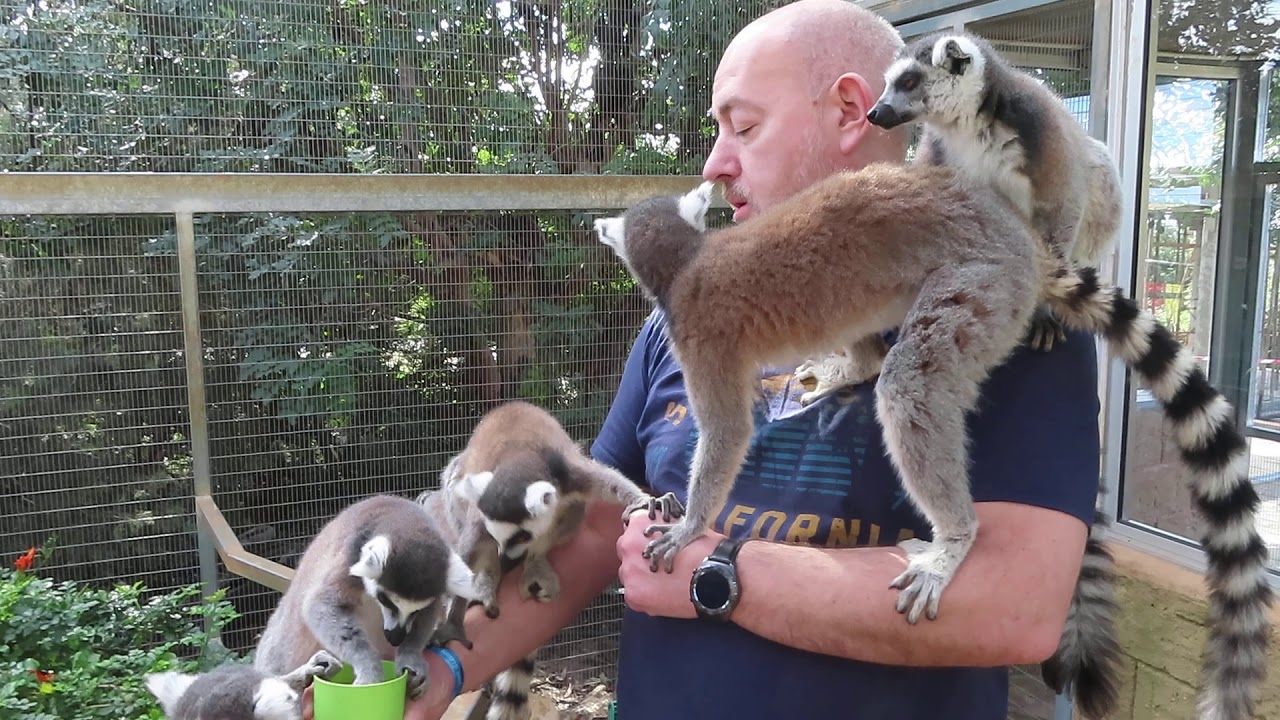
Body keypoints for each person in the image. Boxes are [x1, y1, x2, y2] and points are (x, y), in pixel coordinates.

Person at [338, 1, 1101, 718]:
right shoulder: (686, 315)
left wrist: (720, 576)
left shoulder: (997, 310)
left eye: (743, 126)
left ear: (846, 111)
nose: (715, 163)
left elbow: (1018, 604)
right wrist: (440, 675)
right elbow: (600, 534)